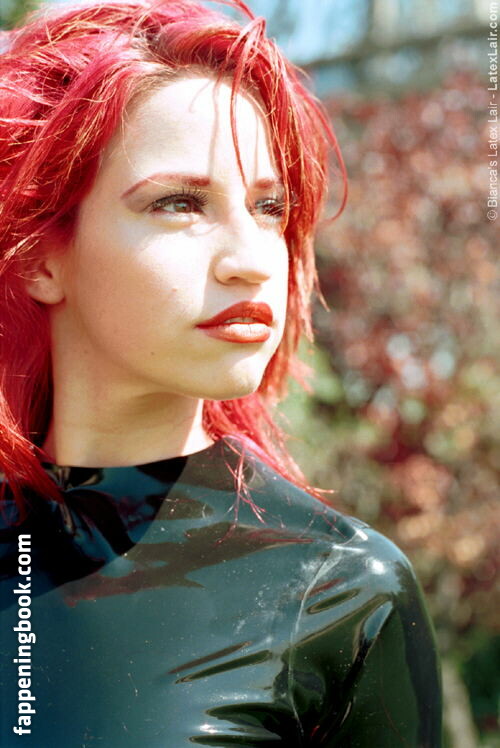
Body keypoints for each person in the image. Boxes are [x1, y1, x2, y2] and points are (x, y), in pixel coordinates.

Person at [0, 0, 441, 745]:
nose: (251, 260)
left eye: (269, 208)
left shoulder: (338, 590)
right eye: (180, 203)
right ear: (38, 257)